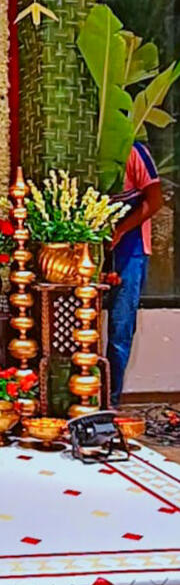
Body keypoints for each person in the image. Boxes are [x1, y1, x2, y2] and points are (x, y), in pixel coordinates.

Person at [107, 141, 163, 407]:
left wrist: (121, 230)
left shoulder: (133, 150)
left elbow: (155, 200)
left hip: (131, 247)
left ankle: (111, 400)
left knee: (121, 327)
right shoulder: (84, 149)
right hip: (91, 245)